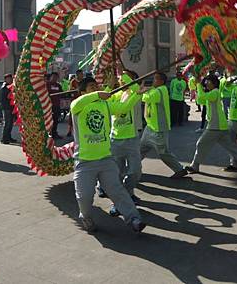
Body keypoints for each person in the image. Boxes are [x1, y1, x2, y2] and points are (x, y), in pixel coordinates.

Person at [70, 77, 146, 233]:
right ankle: (86, 218)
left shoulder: (104, 104)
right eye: (91, 87)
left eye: (96, 86)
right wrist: (97, 94)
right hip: (84, 162)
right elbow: (76, 104)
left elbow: (123, 108)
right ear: (83, 92)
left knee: (117, 191)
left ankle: (133, 219)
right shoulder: (77, 106)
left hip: (106, 159)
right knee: (84, 197)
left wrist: (137, 94)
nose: (96, 88)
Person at [185, 74, 237, 175]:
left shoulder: (215, 92)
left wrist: (199, 85)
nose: (207, 83)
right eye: (206, 81)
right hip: (220, 126)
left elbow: (203, 96)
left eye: (209, 82)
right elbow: (200, 100)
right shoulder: (212, 92)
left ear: (214, 83)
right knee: (231, 147)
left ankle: (195, 166)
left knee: (201, 144)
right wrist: (198, 86)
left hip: (215, 126)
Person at [140, 72, 188, 178]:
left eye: (156, 79)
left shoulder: (161, 90)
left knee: (163, 153)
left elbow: (147, 98)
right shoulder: (156, 89)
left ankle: (179, 169)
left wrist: (143, 91)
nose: (153, 81)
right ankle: (132, 170)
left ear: (161, 81)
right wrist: (145, 90)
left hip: (159, 128)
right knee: (141, 149)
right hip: (150, 126)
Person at [108, 71, 143, 212]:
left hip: (131, 139)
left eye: (125, 80)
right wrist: (110, 85)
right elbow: (105, 99)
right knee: (117, 173)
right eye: (120, 79)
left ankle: (128, 191)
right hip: (115, 140)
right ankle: (119, 200)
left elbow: (137, 89)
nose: (122, 82)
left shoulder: (136, 94)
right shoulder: (115, 95)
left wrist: (122, 73)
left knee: (135, 171)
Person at [0, 73, 18, 144]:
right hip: (6, 108)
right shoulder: (4, 87)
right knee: (7, 123)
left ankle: (8, 137)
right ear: (5, 79)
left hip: (11, 107)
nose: (9, 80)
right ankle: (4, 138)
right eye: (8, 78)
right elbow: (4, 99)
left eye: (10, 78)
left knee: (10, 123)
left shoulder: (12, 86)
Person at [47, 72, 62, 139]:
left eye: (56, 77)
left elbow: (62, 93)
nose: (54, 78)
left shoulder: (58, 85)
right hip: (48, 106)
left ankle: (54, 133)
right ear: (50, 77)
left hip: (56, 106)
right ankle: (48, 134)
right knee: (49, 121)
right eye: (53, 77)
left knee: (55, 120)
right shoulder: (47, 84)